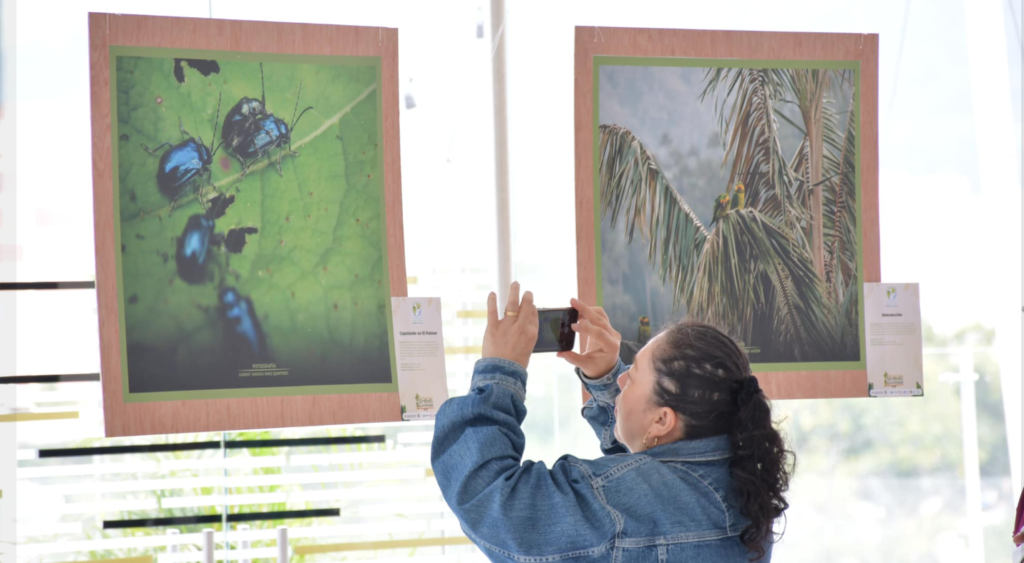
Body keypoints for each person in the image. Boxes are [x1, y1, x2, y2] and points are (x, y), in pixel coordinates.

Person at [431, 283, 794, 562]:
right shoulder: (743, 487)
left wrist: (500, 371)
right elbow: (655, 482)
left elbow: (492, 500)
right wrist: (607, 377)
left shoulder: (625, 504)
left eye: (631, 375)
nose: (622, 379)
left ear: (662, 420)